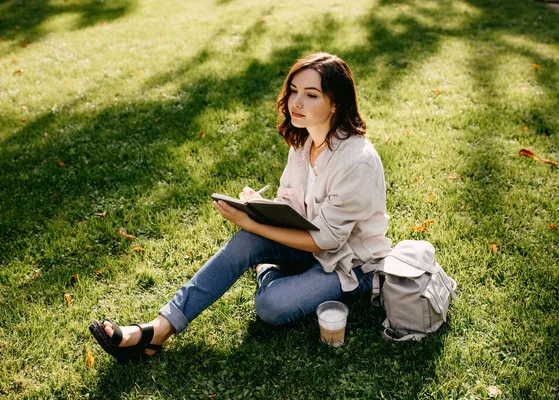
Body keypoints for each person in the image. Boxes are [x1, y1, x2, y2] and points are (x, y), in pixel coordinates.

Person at [89, 52, 392, 363]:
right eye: (293, 90)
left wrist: (252, 224)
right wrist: (258, 207)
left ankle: (268, 270)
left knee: (271, 305)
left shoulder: (356, 161)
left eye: (311, 95)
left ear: (335, 104)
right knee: (246, 243)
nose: (296, 102)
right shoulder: (304, 142)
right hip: (313, 247)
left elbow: (327, 240)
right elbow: (292, 204)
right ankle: (158, 329)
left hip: (353, 265)